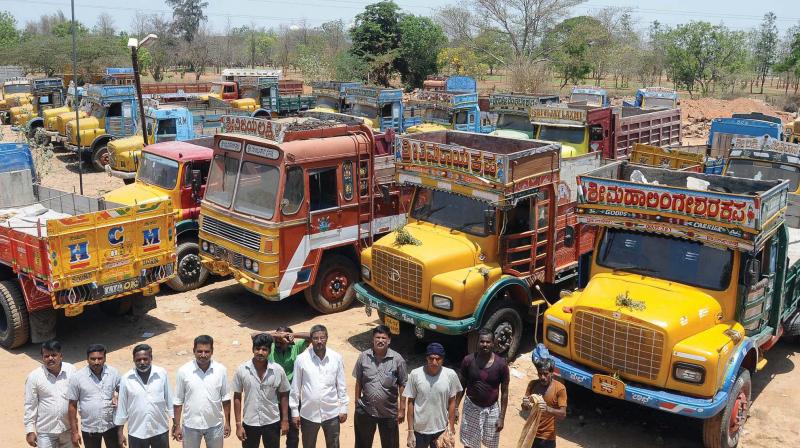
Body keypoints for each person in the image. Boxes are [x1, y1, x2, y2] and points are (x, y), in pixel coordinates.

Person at [289, 324, 348, 448]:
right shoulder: (301, 359)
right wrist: (294, 411)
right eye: (315, 338)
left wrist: (344, 407)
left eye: (322, 338)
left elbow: (341, 385)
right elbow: (295, 388)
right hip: (308, 414)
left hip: (331, 413)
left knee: (334, 445)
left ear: (327, 338)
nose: (319, 341)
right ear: (311, 340)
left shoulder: (336, 358)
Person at [352, 325, 408, 448]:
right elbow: (358, 381)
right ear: (373, 339)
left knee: (391, 445)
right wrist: (357, 401)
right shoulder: (363, 357)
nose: (380, 340)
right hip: (366, 409)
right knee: (362, 444)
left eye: (383, 338)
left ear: (389, 340)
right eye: (377, 337)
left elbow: (403, 384)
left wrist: (402, 408)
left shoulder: (398, 360)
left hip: (389, 412)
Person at [173, 335, 232, 448]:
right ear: (194, 351)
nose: (203, 355)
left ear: (212, 351)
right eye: (199, 351)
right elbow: (178, 401)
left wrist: (228, 423)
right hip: (191, 426)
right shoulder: (184, 371)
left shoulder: (221, 370)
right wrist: (176, 426)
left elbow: (225, 398)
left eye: (207, 351)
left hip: (215, 425)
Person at [232, 333, 290, 448]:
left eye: (264, 349)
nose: (260, 352)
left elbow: (284, 394)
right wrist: (239, 425)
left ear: (269, 351)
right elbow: (237, 396)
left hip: (272, 421)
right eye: (257, 349)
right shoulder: (242, 370)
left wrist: (285, 420)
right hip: (250, 422)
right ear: (252, 349)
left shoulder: (277, 370)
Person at [455, 330, 509, 448]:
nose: (485, 344)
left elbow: (505, 392)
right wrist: (455, 407)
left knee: (491, 444)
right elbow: (461, 385)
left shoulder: (501, 364)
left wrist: (502, 417)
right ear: (477, 343)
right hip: (471, 407)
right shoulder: (468, 361)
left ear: (493, 343)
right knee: (469, 444)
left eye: (488, 342)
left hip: (492, 409)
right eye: (482, 341)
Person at [403, 342, 462, 448]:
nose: (434, 362)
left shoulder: (450, 375)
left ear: (443, 359)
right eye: (431, 358)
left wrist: (451, 427)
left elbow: (452, 401)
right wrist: (410, 432)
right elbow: (410, 403)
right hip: (420, 429)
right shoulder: (415, 374)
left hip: (441, 428)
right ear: (426, 358)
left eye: (438, 358)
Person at [114, 344, 174, 448]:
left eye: (145, 359)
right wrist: (120, 433)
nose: (142, 362)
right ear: (133, 359)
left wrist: (176, 424)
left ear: (151, 358)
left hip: (159, 429)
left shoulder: (161, 374)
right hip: (137, 431)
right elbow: (122, 408)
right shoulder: (126, 379)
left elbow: (169, 401)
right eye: (138, 360)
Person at [24, 340, 76, 448]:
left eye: (54, 355)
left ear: (61, 356)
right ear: (42, 357)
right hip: (45, 432)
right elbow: (30, 405)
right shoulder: (34, 377)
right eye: (46, 356)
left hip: (68, 429)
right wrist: (30, 431)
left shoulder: (71, 370)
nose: (50, 358)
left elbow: (81, 394)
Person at [67, 344, 121, 448]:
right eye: (93, 359)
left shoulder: (114, 373)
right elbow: (72, 405)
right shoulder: (77, 377)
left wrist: (117, 397)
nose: (96, 362)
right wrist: (74, 432)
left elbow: (124, 393)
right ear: (87, 359)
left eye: (100, 358)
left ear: (105, 358)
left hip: (111, 426)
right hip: (90, 428)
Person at [268, 326, 311, 448]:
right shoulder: (270, 347)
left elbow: (311, 335)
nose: (281, 341)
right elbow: (254, 336)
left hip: (292, 400)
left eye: (284, 336)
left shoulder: (296, 348)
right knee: (272, 435)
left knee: (293, 436)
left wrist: (293, 335)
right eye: (278, 337)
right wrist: (276, 335)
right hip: (273, 400)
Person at [523, 356, 567, 448]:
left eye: (545, 374)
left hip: (547, 437)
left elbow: (563, 414)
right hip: (531, 433)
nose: (542, 377)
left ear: (552, 373)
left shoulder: (559, 388)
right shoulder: (532, 384)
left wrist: (547, 409)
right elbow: (525, 408)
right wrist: (525, 404)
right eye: (540, 374)